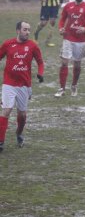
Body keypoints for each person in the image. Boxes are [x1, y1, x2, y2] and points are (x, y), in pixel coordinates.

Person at [0, 21, 44, 152]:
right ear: (18, 30)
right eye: (25, 29)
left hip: (24, 85)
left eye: (29, 30)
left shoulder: (32, 46)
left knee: (22, 115)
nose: (28, 32)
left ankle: (19, 134)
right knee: (6, 110)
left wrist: (40, 73)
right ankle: (1, 142)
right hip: (9, 84)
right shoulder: (8, 44)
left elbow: (40, 62)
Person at [55, 0, 85, 98]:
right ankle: (61, 88)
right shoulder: (68, 6)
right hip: (67, 38)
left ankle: (74, 85)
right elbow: (62, 19)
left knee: (77, 64)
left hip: (81, 41)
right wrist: (61, 28)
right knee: (64, 63)